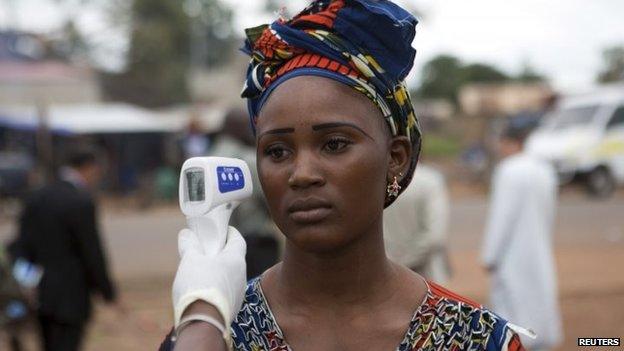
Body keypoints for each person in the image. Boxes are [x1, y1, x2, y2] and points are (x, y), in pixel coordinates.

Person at [162, 1, 527, 350]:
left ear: (395, 158)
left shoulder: (475, 338)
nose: (301, 174)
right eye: (277, 151)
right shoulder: (216, 332)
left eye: (334, 144)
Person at [10, 148, 120, 351]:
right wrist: (107, 291)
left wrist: (23, 284)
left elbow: (20, 246)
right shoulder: (80, 201)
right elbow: (91, 252)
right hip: (72, 294)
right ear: (89, 168)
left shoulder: (36, 197)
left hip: (39, 292)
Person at [481, 120, 563, 350]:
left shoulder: (509, 170)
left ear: (511, 142)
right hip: (538, 248)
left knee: (512, 308)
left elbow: (502, 218)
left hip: (512, 254)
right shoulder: (544, 169)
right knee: (539, 300)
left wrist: (490, 255)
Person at [209, 109, 281, 279]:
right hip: (255, 244)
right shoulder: (247, 160)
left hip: (218, 245)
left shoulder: (206, 158)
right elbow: (269, 201)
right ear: (239, 129)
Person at [383, 163, 451, 284]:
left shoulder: (377, 181)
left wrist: (396, 261)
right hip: (427, 276)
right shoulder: (430, 181)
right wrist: (407, 259)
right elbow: (435, 236)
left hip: (386, 275)